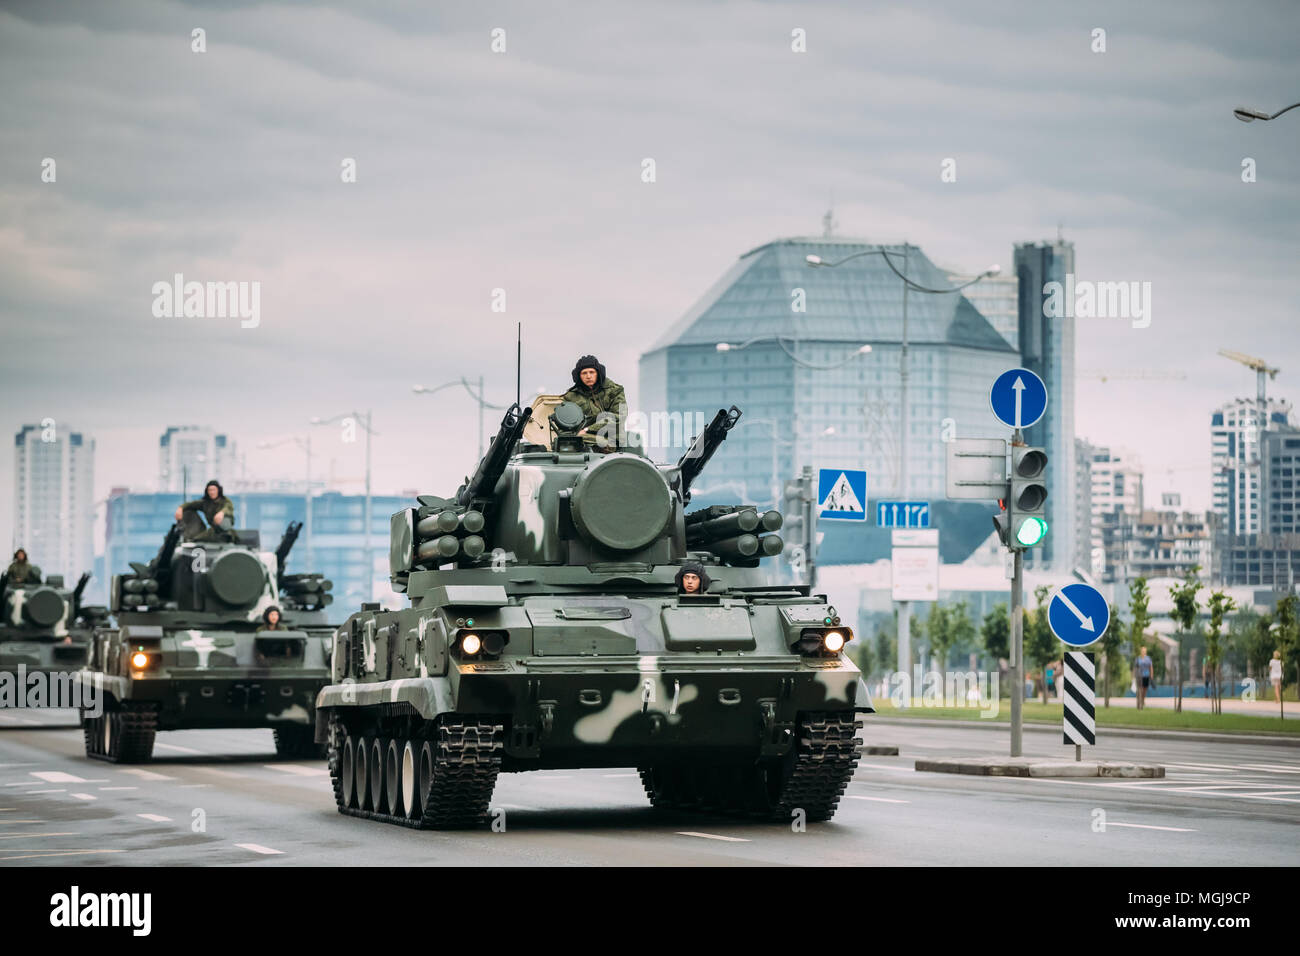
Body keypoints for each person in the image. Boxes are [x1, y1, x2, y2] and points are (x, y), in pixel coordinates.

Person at [562, 355, 626, 450]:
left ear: (598, 373)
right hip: (580, 439)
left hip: (611, 439)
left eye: (592, 372)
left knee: (579, 439)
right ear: (579, 376)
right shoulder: (571, 396)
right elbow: (565, 423)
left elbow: (619, 416)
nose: (588, 376)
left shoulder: (615, 391)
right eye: (584, 373)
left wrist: (589, 429)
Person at [1134, 646, 1153, 710]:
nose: (1143, 652)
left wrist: (1151, 675)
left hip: (1146, 675)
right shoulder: (1138, 658)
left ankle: (1143, 699)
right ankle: (1140, 700)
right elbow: (1135, 667)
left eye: (1144, 651)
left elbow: (1150, 667)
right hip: (1139, 676)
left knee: (1145, 689)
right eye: (1142, 651)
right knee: (1140, 689)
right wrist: (1134, 675)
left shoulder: (1148, 658)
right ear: (1141, 651)